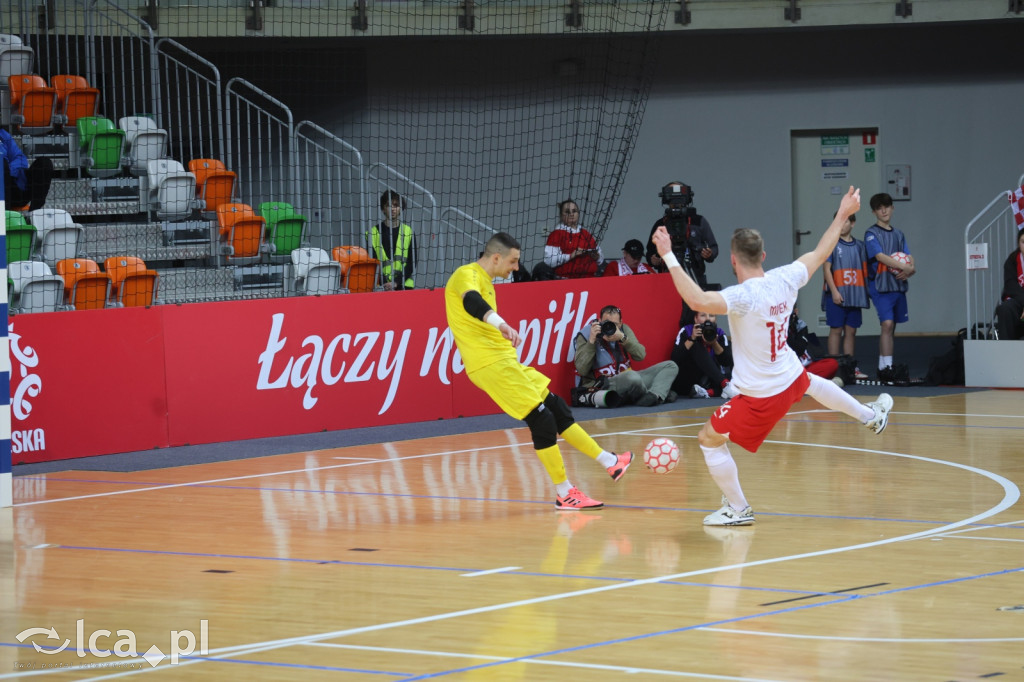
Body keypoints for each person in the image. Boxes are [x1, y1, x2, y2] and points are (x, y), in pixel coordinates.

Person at [651, 186, 893, 527]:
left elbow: (697, 302)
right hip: (790, 376)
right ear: (763, 256)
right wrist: (841, 213)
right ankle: (870, 415)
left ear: (733, 260)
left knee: (708, 439)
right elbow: (822, 252)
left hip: (762, 395)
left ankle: (737, 508)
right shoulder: (786, 278)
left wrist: (668, 255)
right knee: (811, 382)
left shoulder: (740, 296)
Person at [445, 232, 633, 511]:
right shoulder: (466, 274)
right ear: (496, 257)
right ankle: (565, 493)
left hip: (506, 361)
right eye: (513, 261)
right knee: (541, 420)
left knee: (557, 409)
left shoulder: (487, 280)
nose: (517, 268)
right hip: (490, 365)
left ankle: (610, 462)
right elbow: (472, 302)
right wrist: (501, 324)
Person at [573, 304, 679, 407]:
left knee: (670, 365)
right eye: (606, 323)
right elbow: (582, 369)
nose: (610, 327)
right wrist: (591, 341)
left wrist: (623, 338)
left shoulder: (623, 330)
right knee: (632, 377)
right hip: (604, 384)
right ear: (600, 321)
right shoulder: (586, 334)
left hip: (630, 379)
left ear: (620, 323)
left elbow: (640, 355)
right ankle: (658, 394)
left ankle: (655, 396)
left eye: (614, 324)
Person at [865, 192, 915, 381]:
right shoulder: (871, 234)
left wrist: (911, 268)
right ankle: (884, 368)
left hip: (898, 285)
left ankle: (887, 365)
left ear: (892, 208)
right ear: (874, 212)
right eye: (879, 208)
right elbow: (880, 257)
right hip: (880, 286)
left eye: (886, 206)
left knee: (892, 326)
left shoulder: (899, 234)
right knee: (886, 324)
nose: (883, 210)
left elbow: (908, 255)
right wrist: (903, 266)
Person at [821, 211, 869, 380]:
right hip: (837, 294)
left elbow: (864, 271)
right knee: (836, 329)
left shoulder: (860, 246)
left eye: (845, 221)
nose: (841, 225)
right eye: (838, 221)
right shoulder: (831, 244)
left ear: (853, 223)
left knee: (851, 331)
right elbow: (826, 269)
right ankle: (833, 368)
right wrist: (834, 291)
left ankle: (850, 368)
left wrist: (865, 293)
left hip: (854, 294)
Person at [645, 180, 718, 287]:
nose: (676, 202)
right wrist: (653, 259)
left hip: (694, 276)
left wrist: (709, 254)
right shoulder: (661, 224)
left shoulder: (698, 221)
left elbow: (714, 247)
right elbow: (650, 251)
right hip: (667, 277)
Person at [671, 311, 737, 399]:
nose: (708, 319)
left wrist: (714, 343)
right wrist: (692, 338)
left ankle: (706, 392)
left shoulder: (719, 333)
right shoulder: (687, 331)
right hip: (687, 378)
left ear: (715, 319)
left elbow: (727, 361)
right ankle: (725, 385)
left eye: (712, 315)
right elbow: (675, 359)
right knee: (696, 345)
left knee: (731, 351)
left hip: (710, 379)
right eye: (703, 315)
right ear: (695, 319)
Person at [367, 190, 416, 290]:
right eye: (389, 205)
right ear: (383, 209)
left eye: (396, 205)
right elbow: (372, 264)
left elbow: (412, 263)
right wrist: (386, 283)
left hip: (404, 286)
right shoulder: (373, 233)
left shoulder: (408, 231)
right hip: (381, 287)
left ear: (400, 208)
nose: (393, 209)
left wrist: (396, 282)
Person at [542, 199, 601, 278]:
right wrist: (570, 256)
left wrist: (597, 257)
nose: (571, 214)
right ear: (561, 215)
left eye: (574, 211)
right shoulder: (556, 234)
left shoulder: (585, 234)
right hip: (566, 279)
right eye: (567, 212)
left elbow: (600, 258)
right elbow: (549, 260)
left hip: (590, 278)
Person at [1, 127, 54, 211]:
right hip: (2, 191)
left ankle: (35, 212)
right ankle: (5, 214)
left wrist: (9, 170)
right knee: (2, 164)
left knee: (44, 163)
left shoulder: (3, 134)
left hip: (14, 184)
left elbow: (20, 157)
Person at [995, 228, 1024, 340]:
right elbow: (1010, 287)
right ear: (1018, 243)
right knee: (1005, 309)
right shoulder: (1012, 260)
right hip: (1019, 301)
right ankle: (1006, 350)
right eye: (1023, 242)